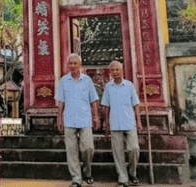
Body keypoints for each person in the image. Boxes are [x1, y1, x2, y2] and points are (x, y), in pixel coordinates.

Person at [56, 53, 100, 187]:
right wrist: (59, 118)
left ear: (80, 65)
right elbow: (61, 102)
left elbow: (94, 100)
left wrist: (96, 116)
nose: (73, 66)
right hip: (69, 119)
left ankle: (87, 172)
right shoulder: (64, 81)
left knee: (88, 148)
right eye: (70, 63)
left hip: (85, 118)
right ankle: (76, 178)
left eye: (75, 63)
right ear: (67, 65)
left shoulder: (87, 80)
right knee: (71, 150)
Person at [101, 60, 142, 187]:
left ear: (122, 71)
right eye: (112, 70)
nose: (115, 72)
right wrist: (106, 126)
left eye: (117, 70)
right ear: (110, 72)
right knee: (118, 153)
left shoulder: (129, 86)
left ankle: (132, 173)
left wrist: (139, 122)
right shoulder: (108, 87)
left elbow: (136, 105)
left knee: (134, 149)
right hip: (115, 123)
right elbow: (106, 107)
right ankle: (123, 179)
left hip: (129, 122)